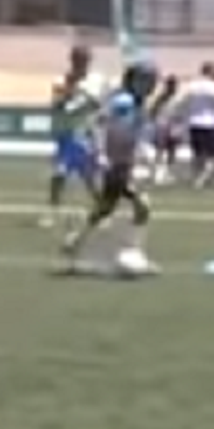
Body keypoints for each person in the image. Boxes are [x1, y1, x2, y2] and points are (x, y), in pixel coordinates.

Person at [62, 63, 158, 274]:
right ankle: (134, 252)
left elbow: (133, 131)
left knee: (106, 208)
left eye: (150, 81)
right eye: (144, 80)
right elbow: (98, 124)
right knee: (141, 205)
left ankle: (76, 241)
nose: (149, 85)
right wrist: (100, 152)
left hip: (124, 162)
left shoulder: (138, 103)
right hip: (113, 163)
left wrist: (142, 152)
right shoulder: (123, 101)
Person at [46, 45, 103, 227]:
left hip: (83, 134)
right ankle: (52, 212)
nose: (81, 64)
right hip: (65, 134)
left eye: (84, 60)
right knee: (59, 174)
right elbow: (57, 105)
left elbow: (96, 104)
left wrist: (81, 95)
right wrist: (69, 90)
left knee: (89, 179)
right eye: (78, 60)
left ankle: (102, 212)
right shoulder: (61, 80)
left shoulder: (94, 81)